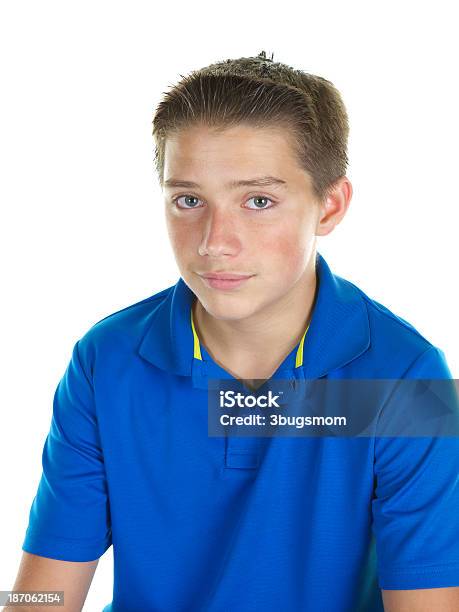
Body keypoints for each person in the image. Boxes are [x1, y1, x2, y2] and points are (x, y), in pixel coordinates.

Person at [9, 51, 459, 611]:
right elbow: (40, 597)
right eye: (189, 200)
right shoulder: (108, 361)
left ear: (330, 205)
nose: (214, 241)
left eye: (259, 201)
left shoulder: (404, 380)